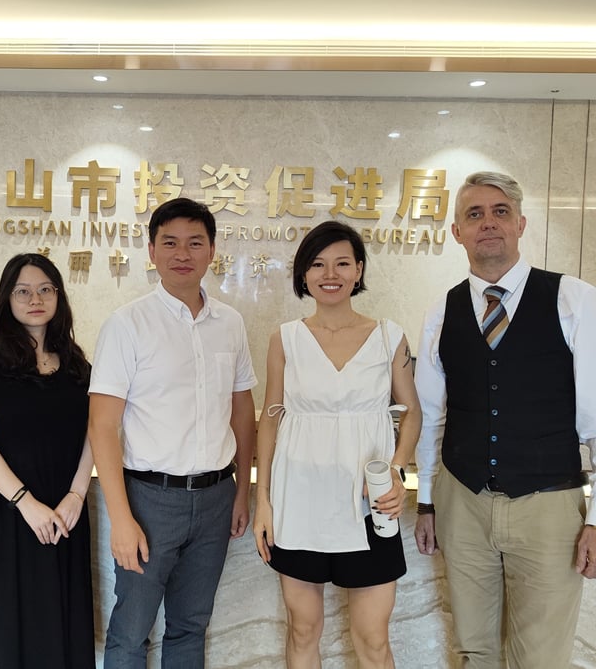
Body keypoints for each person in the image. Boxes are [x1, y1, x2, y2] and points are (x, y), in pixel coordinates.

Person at [414, 171, 596, 669]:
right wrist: (427, 503)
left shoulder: (574, 300)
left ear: (520, 224)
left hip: (549, 504)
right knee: (474, 648)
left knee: (541, 656)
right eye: (474, 214)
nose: (487, 223)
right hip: (464, 500)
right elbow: (432, 418)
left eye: (499, 212)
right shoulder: (441, 311)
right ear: (456, 232)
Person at [88, 197, 257, 668]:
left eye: (194, 243)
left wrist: (242, 492)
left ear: (211, 251)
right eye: (170, 243)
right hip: (148, 500)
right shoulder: (127, 324)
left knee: (190, 627)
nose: (182, 253)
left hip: (215, 497)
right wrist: (121, 519)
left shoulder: (231, 323)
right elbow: (102, 425)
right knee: (131, 631)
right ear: (151, 251)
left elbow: (243, 411)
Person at [253, 220, 421, 669]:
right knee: (303, 628)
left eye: (342, 263)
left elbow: (413, 412)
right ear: (304, 275)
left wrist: (397, 472)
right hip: (299, 499)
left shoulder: (390, 335)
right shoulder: (284, 338)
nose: (331, 274)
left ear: (359, 270)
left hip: (369, 503)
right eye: (317, 264)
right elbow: (270, 418)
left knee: (373, 637)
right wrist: (263, 501)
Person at [0, 253, 95, 668]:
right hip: (9, 512)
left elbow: (95, 434)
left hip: (65, 512)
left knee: (62, 624)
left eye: (46, 289)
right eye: (23, 291)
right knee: (6, 627)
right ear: (6, 299)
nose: (35, 298)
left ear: (59, 297)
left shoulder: (78, 364)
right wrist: (26, 503)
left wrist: (76, 496)